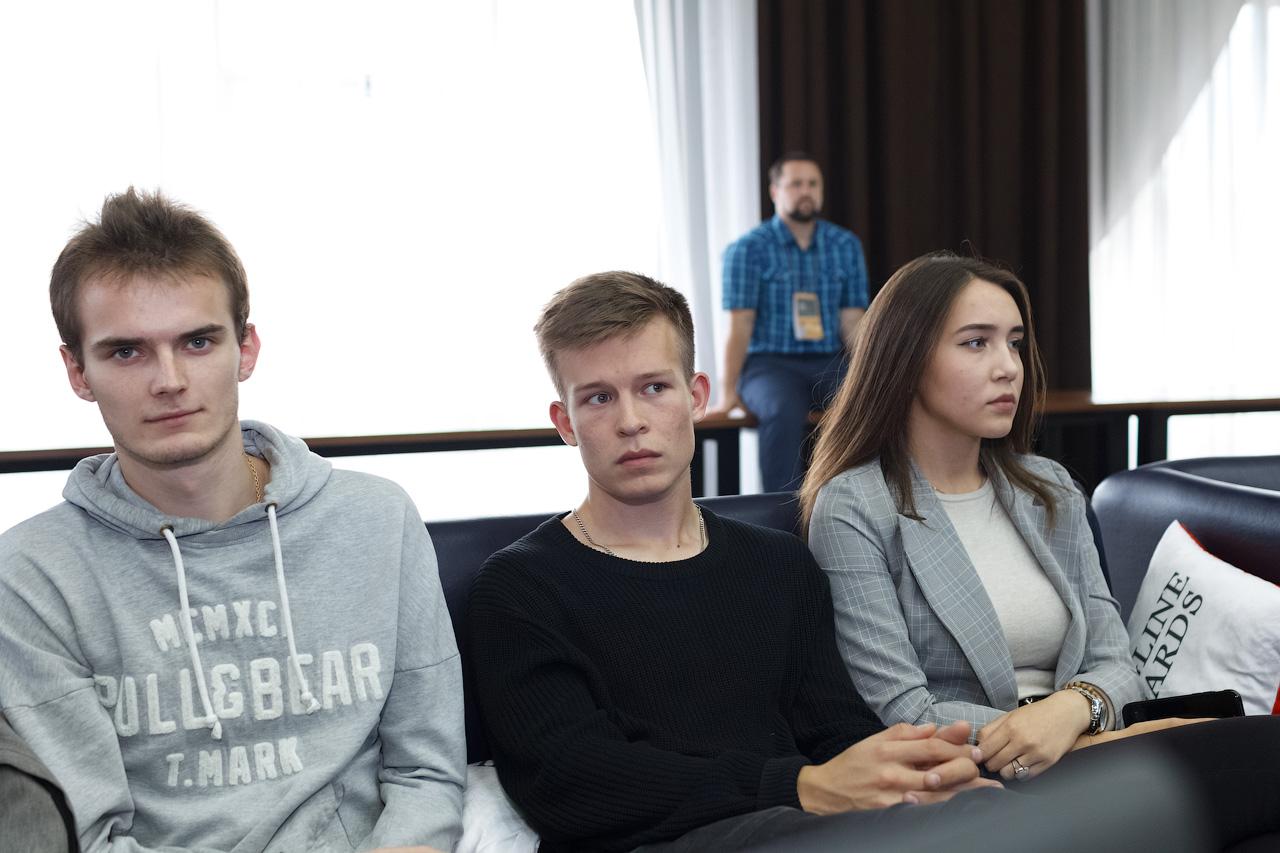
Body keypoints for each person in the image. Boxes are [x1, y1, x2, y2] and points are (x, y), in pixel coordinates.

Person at [467, 271, 1006, 853]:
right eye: (599, 398)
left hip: (803, 826)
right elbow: (569, 780)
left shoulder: (778, 563)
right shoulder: (520, 587)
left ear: (696, 396)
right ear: (565, 423)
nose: (630, 421)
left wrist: (920, 777)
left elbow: (837, 730)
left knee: (990, 813)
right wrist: (801, 786)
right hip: (662, 842)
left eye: (654, 388)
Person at [0, 188, 465, 852]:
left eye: (197, 341)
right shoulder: (30, 575)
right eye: (126, 351)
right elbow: (94, 835)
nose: (168, 380)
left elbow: (426, 773)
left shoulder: (377, 520)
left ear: (246, 349)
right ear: (77, 370)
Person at [800, 252, 1280, 848]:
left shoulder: (1049, 488)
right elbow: (902, 711)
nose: (1009, 368)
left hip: (1096, 750)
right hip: (979, 783)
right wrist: (1072, 738)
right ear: (907, 358)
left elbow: (1116, 664)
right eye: (976, 343)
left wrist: (1074, 710)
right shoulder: (854, 506)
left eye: (1015, 344)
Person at [711, 152, 869, 492]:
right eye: (796, 184)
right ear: (775, 192)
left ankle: (857, 500)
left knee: (867, 404)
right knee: (782, 409)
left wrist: (871, 373)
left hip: (829, 360)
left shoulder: (845, 245)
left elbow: (853, 321)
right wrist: (728, 394)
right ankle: (779, 512)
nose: (805, 191)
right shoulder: (747, 249)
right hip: (769, 365)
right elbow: (740, 326)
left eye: (813, 184)